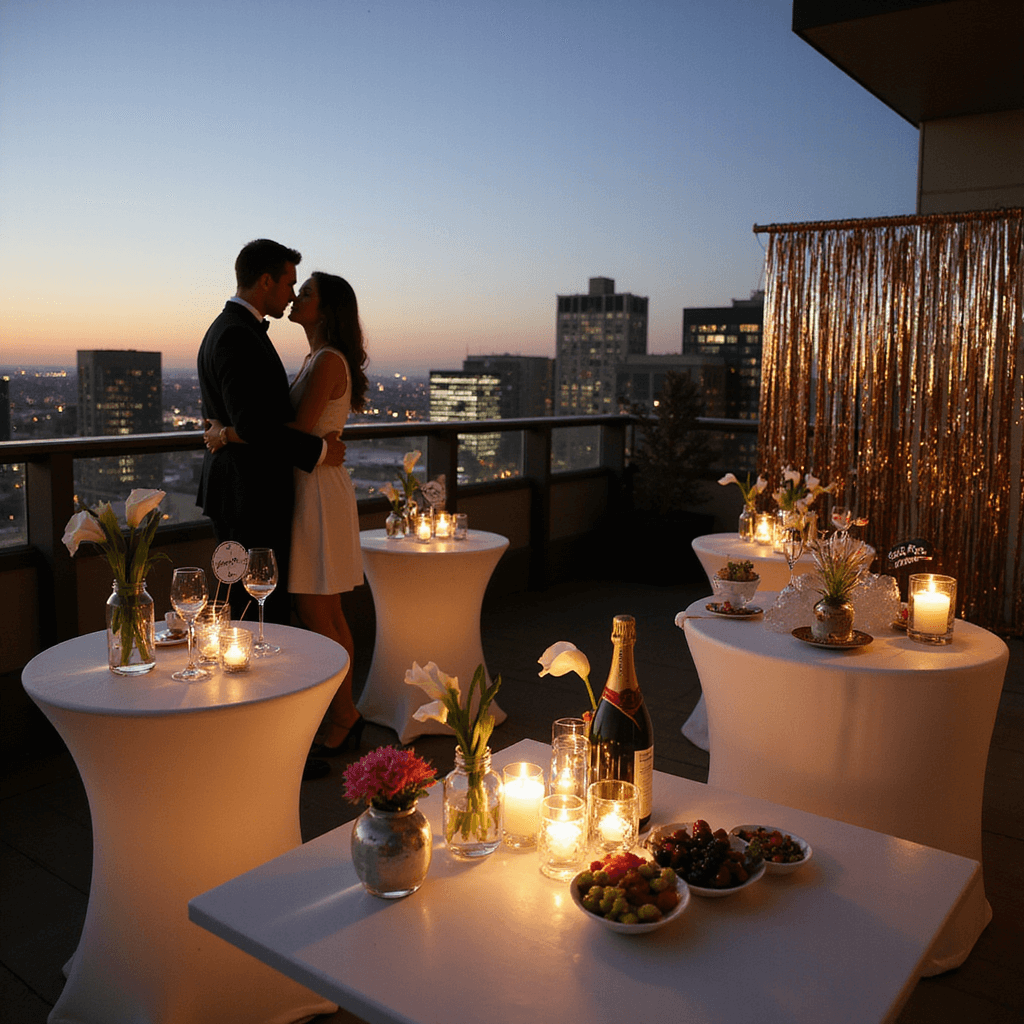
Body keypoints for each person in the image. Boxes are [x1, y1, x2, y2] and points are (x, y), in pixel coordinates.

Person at [205, 272, 368, 756]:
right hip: (314, 484)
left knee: (319, 611)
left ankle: (343, 716)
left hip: (316, 490)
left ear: (328, 309)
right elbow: (300, 433)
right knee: (327, 612)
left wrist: (227, 432)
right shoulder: (316, 359)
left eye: (308, 292)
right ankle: (343, 713)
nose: (297, 297)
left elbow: (293, 429)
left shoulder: (325, 362)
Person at [197, 239, 346, 627]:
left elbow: (245, 423)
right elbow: (253, 425)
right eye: (289, 284)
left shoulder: (232, 328)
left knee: (245, 602)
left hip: (245, 494)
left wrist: (225, 432)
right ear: (266, 281)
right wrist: (317, 451)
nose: (292, 295)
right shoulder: (238, 335)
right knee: (255, 608)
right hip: (249, 496)